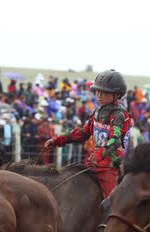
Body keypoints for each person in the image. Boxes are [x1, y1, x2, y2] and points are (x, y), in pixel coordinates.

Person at [44, 69, 132, 199]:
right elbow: (83, 133)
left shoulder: (119, 115)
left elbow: (115, 140)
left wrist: (98, 154)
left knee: (110, 201)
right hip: (93, 161)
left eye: (104, 92)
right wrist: (59, 140)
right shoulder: (97, 111)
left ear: (116, 95)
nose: (99, 95)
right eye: (97, 91)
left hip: (110, 166)